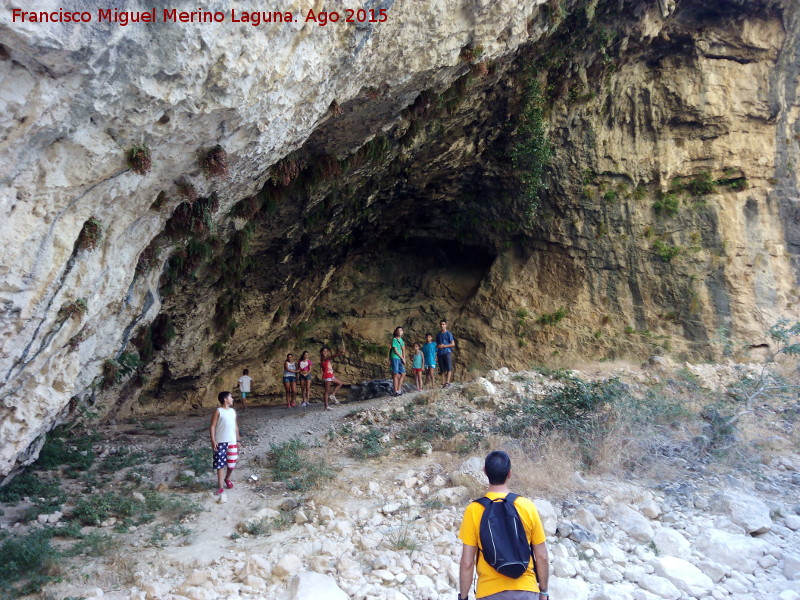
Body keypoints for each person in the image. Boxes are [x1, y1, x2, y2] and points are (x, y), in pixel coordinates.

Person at [458, 451, 549, 600]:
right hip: (526, 589)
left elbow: (467, 562)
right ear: (509, 474)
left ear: (485, 472)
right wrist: (543, 592)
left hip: (489, 592)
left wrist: (463, 596)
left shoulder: (474, 510)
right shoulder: (527, 506)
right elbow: (542, 556)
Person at [209, 391, 240, 495]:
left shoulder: (232, 411)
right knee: (220, 465)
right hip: (221, 441)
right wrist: (213, 441)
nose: (232, 399)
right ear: (225, 399)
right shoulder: (218, 411)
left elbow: (235, 426)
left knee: (232, 464)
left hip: (232, 441)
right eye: (231, 397)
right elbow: (212, 426)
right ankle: (220, 486)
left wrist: (238, 439)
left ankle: (227, 478)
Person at [320, 346, 344, 411]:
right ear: (321, 352)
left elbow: (331, 357)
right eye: (323, 351)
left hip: (331, 375)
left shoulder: (327, 358)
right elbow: (332, 357)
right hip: (327, 376)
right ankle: (326, 406)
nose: (325, 352)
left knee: (340, 383)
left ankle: (333, 395)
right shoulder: (323, 358)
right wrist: (339, 353)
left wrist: (340, 353)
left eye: (326, 351)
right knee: (327, 391)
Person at [436, 320, 456, 388]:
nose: (442, 325)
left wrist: (445, 346)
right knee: (442, 369)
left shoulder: (448, 334)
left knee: (448, 367)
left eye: (443, 324)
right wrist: (438, 346)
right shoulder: (438, 334)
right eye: (441, 324)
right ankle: (443, 382)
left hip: (447, 352)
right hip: (440, 353)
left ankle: (447, 382)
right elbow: (437, 344)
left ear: (446, 325)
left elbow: (453, 343)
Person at [390, 326, 406, 396]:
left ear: (402, 332)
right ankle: (395, 391)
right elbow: (395, 350)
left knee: (403, 373)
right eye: (398, 330)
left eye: (401, 330)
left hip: (400, 358)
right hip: (395, 357)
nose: (400, 331)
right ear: (396, 332)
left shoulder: (402, 341)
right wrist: (402, 358)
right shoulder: (394, 340)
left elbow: (403, 350)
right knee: (396, 374)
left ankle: (398, 389)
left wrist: (404, 358)